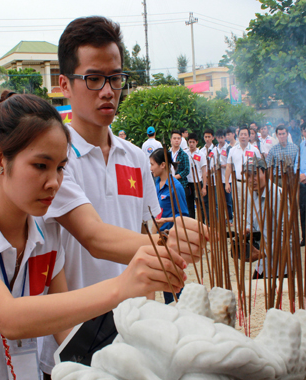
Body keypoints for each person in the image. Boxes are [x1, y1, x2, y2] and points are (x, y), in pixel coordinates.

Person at [0, 92, 185, 379]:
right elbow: (9, 318)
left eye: (60, 168)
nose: (54, 182)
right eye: (40, 166)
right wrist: (122, 285)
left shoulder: (47, 232)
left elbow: (63, 329)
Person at [40, 17, 204, 376]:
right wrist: (169, 245)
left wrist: (169, 238)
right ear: (65, 84)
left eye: (115, 78)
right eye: (94, 78)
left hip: (132, 338)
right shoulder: (53, 160)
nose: (108, 90)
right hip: (73, 341)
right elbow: (94, 237)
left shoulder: (135, 158)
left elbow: (147, 234)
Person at [149, 147, 189, 304]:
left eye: (152, 164)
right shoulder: (157, 182)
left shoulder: (176, 186)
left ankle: (180, 305)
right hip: (158, 237)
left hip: (170, 238)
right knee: (164, 276)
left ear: (163, 165)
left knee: (171, 276)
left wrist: (166, 220)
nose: (151, 168)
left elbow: (184, 216)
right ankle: (171, 305)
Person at [225, 127, 262, 212]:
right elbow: (229, 166)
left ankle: (250, 225)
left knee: (251, 208)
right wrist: (227, 182)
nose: (243, 136)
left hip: (251, 183)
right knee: (238, 208)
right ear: (238, 136)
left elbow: (260, 167)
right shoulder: (233, 150)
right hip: (237, 183)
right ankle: (238, 225)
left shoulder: (255, 150)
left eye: (245, 134)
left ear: (249, 137)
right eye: (241, 134)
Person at [186, 133, 207, 221]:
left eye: (193, 142)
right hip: (188, 183)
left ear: (197, 142)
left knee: (200, 205)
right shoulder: (185, 153)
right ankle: (192, 223)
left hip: (198, 182)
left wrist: (204, 187)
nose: (191, 144)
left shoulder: (201, 154)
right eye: (190, 142)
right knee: (189, 205)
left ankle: (201, 223)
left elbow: (204, 171)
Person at [215, 129, 233, 225]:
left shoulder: (228, 148)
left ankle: (230, 219)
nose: (220, 139)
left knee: (228, 200)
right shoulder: (215, 148)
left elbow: (230, 163)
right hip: (217, 179)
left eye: (222, 137)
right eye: (218, 138)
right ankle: (221, 218)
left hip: (227, 178)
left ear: (225, 138)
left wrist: (221, 165)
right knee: (219, 200)